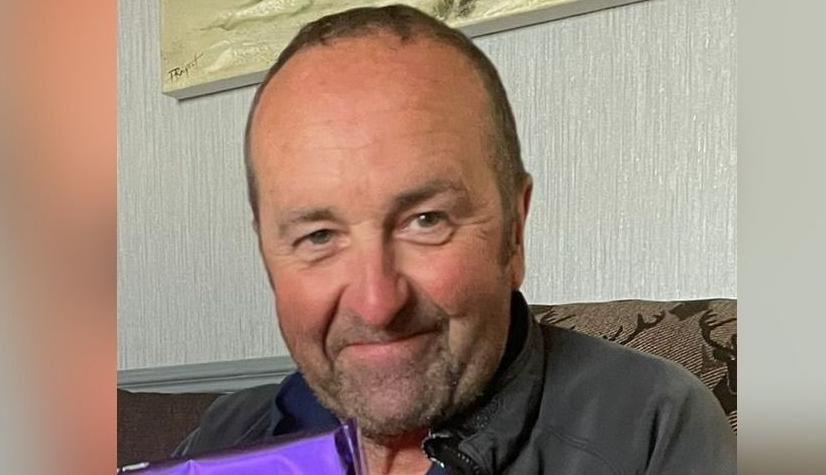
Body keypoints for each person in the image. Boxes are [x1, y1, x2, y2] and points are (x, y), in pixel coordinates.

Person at [175, 5, 736, 474]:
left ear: (514, 233)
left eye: (426, 220)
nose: (377, 302)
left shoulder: (649, 429)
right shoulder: (226, 439)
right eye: (319, 235)